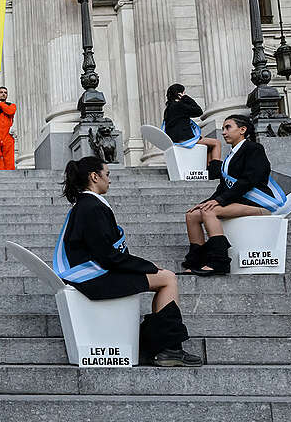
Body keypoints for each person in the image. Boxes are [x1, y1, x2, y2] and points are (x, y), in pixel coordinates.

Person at [55, 157, 202, 367]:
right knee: (168, 279)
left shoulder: (86, 205)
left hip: (94, 274)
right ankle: (169, 349)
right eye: (107, 174)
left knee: (164, 277)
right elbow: (107, 256)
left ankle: (162, 345)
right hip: (94, 279)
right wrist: (148, 267)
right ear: (94, 176)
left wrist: (144, 267)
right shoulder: (92, 208)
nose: (110, 180)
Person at [183, 114, 286, 276]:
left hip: (258, 203)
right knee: (192, 215)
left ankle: (219, 261)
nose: (223, 132)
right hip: (238, 201)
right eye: (223, 128)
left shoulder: (254, 149)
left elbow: (250, 180)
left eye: (228, 127)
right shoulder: (231, 155)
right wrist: (207, 201)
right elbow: (223, 187)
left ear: (242, 130)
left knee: (209, 211)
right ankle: (197, 262)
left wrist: (220, 201)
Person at [163, 84, 221, 179]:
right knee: (216, 143)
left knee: (208, 146)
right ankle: (216, 172)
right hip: (185, 138)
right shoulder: (179, 106)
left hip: (176, 139)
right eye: (184, 92)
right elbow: (198, 111)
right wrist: (186, 98)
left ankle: (209, 171)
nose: (185, 94)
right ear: (179, 94)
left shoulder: (168, 109)